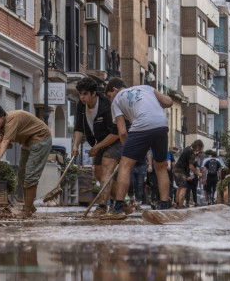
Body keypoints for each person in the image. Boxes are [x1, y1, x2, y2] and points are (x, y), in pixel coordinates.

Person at [103, 78, 174, 220]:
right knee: (161, 166)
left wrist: (127, 150)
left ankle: (118, 208)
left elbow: (122, 132)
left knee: (125, 166)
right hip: (161, 123)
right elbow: (168, 102)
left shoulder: (117, 100)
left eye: (110, 96)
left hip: (141, 124)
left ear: (115, 90)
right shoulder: (146, 88)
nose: (111, 100)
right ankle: (164, 208)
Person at [0, 104, 52, 218]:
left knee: (30, 175)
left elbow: (5, 143)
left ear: (1, 114)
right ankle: (29, 206)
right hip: (27, 142)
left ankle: (27, 210)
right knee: (21, 175)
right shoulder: (1, 126)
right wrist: (3, 137)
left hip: (41, 138)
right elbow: (9, 144)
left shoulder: (12, 120)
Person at [72, 77, 121, 216]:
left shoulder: (107, 104)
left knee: (106, 168)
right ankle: (122, 202)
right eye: (80, 94)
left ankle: (102, 206)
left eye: (85, 94)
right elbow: (79, 127)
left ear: (94, 93)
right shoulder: (81, 105)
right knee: (100, 175)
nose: (82, 97)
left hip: (115, 140)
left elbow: (116, 132)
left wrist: (97, 147)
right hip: (99, 142)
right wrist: (75, 145)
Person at [173, 140, 203, 208]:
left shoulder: (187, 148)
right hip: (180, 171)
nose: (199, 150)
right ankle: (180, 206)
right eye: (200, 148)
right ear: (197, 146)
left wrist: (187, 174)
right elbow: (191, 166)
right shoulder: (191, 153)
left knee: (180, 187)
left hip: (176, 170)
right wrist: (198, 173)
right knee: (184, 187)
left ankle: (177, 204)